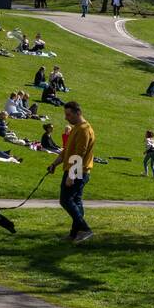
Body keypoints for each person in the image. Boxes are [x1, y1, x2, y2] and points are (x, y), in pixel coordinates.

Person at [47, 101, 94, 243]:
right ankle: (74, 234)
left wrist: (71, 175)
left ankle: (85, 229)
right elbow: (67, 150)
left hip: (78, 170)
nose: (66, 118)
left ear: (78, 113)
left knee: (66, 200)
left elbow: (80, 153)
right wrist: (54, 164)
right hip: (75, 169)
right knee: (76, 201)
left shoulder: (84, 129)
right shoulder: (76, 128)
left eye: (68, 114)